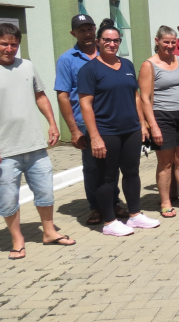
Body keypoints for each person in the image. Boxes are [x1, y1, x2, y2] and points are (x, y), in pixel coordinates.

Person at [0, 23, 75, 259]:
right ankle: (17, 239)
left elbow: (40, 95)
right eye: (4, 44)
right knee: (8, 197)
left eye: (13, 44)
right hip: (4, 150)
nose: (9, 49)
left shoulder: (27, 66)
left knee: (45, 192)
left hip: (35, 145)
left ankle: (49, 232)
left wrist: (51, 122)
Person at [79, 19, 161, 236]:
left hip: (131, 130)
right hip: (106, 131)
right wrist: (94, 137)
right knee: (107, 176)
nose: (112, 44)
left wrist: (142, 123)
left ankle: (134, 215)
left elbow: (135, 97)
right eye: (107, 40)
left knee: (132, 173)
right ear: (98, 42)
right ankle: (109, 221)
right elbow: (85, 105)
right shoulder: (90, 69)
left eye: (116, 40)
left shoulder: (126, 65)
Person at [55, 14, 125, 226]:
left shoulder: (108, 53)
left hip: (112, 119)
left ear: (95, 30)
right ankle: (95, 207)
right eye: (81, 30)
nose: (86, 33)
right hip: (85, 122)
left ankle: (113, 202)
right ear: (73, 33)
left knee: (113, 165)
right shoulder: (68, 59)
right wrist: (74, 130)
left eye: (89, 29)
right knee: (93, 166)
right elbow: (63, 95)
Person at [139, 26, 179, 218]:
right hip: (162, 116)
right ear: (157, 41)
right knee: (165, 163)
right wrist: (152, 125)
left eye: (173, 42)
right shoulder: (149, 65)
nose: (170, 46)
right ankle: (165, 202)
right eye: (166, 42)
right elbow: (145, 99)